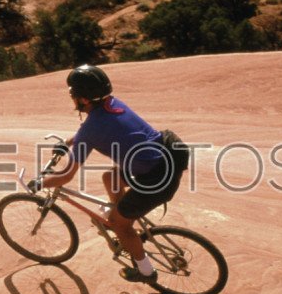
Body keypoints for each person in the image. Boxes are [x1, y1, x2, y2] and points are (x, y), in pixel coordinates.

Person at [28, 64, 183, 282]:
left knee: (120, 224)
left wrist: (39, 183)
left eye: (73, 94)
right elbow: (89, 131)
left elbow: (66, 176)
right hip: (165, 157)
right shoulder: (112, 103)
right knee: (110, 177)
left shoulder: (90, 129)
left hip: (157, 178)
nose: (72, 98)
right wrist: (67, 142)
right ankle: (123, 221)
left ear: (83, 99)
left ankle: (146, 271)